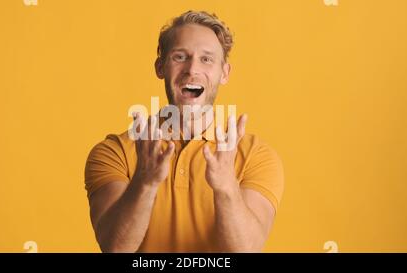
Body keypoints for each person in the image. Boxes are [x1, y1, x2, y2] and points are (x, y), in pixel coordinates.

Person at [84, 10, 284, 252]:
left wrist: (226, 186)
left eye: (207, 59)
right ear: (160, 67)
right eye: (180, 57)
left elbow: (247, 250)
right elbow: (114, 248)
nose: (192, 69)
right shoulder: (115, 152)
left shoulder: (256, 156)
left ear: (224, 73)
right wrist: (144, 182)